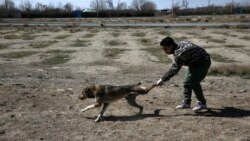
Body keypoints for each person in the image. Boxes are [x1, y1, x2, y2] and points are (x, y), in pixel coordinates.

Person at [156, 37, 211, 112]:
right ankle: (187, 103)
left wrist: (163, 79)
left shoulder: (180, 53)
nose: (164, 51)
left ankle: (202, 103)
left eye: (165, 48)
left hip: (203, 62)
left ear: (171, 46)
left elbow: (175, 69)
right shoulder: (178, 45)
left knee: (193, 82)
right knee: (186, 82)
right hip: (194, 62)